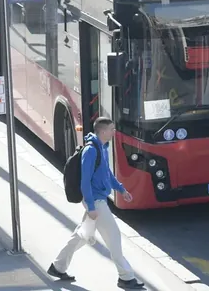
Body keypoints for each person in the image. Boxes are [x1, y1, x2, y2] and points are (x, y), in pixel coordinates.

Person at [48, 117, 144, 289]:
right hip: (96, 201)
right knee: (113, 237)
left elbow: (106, 172)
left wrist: (121, 189)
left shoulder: (102, 148)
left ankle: (58, 266)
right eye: (111, 129)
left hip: (97, 199)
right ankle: (126, 277)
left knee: (82, 235)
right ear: (102, 131)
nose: (114, 132)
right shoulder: (91, 151)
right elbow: (85, 182)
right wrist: (91, 207)